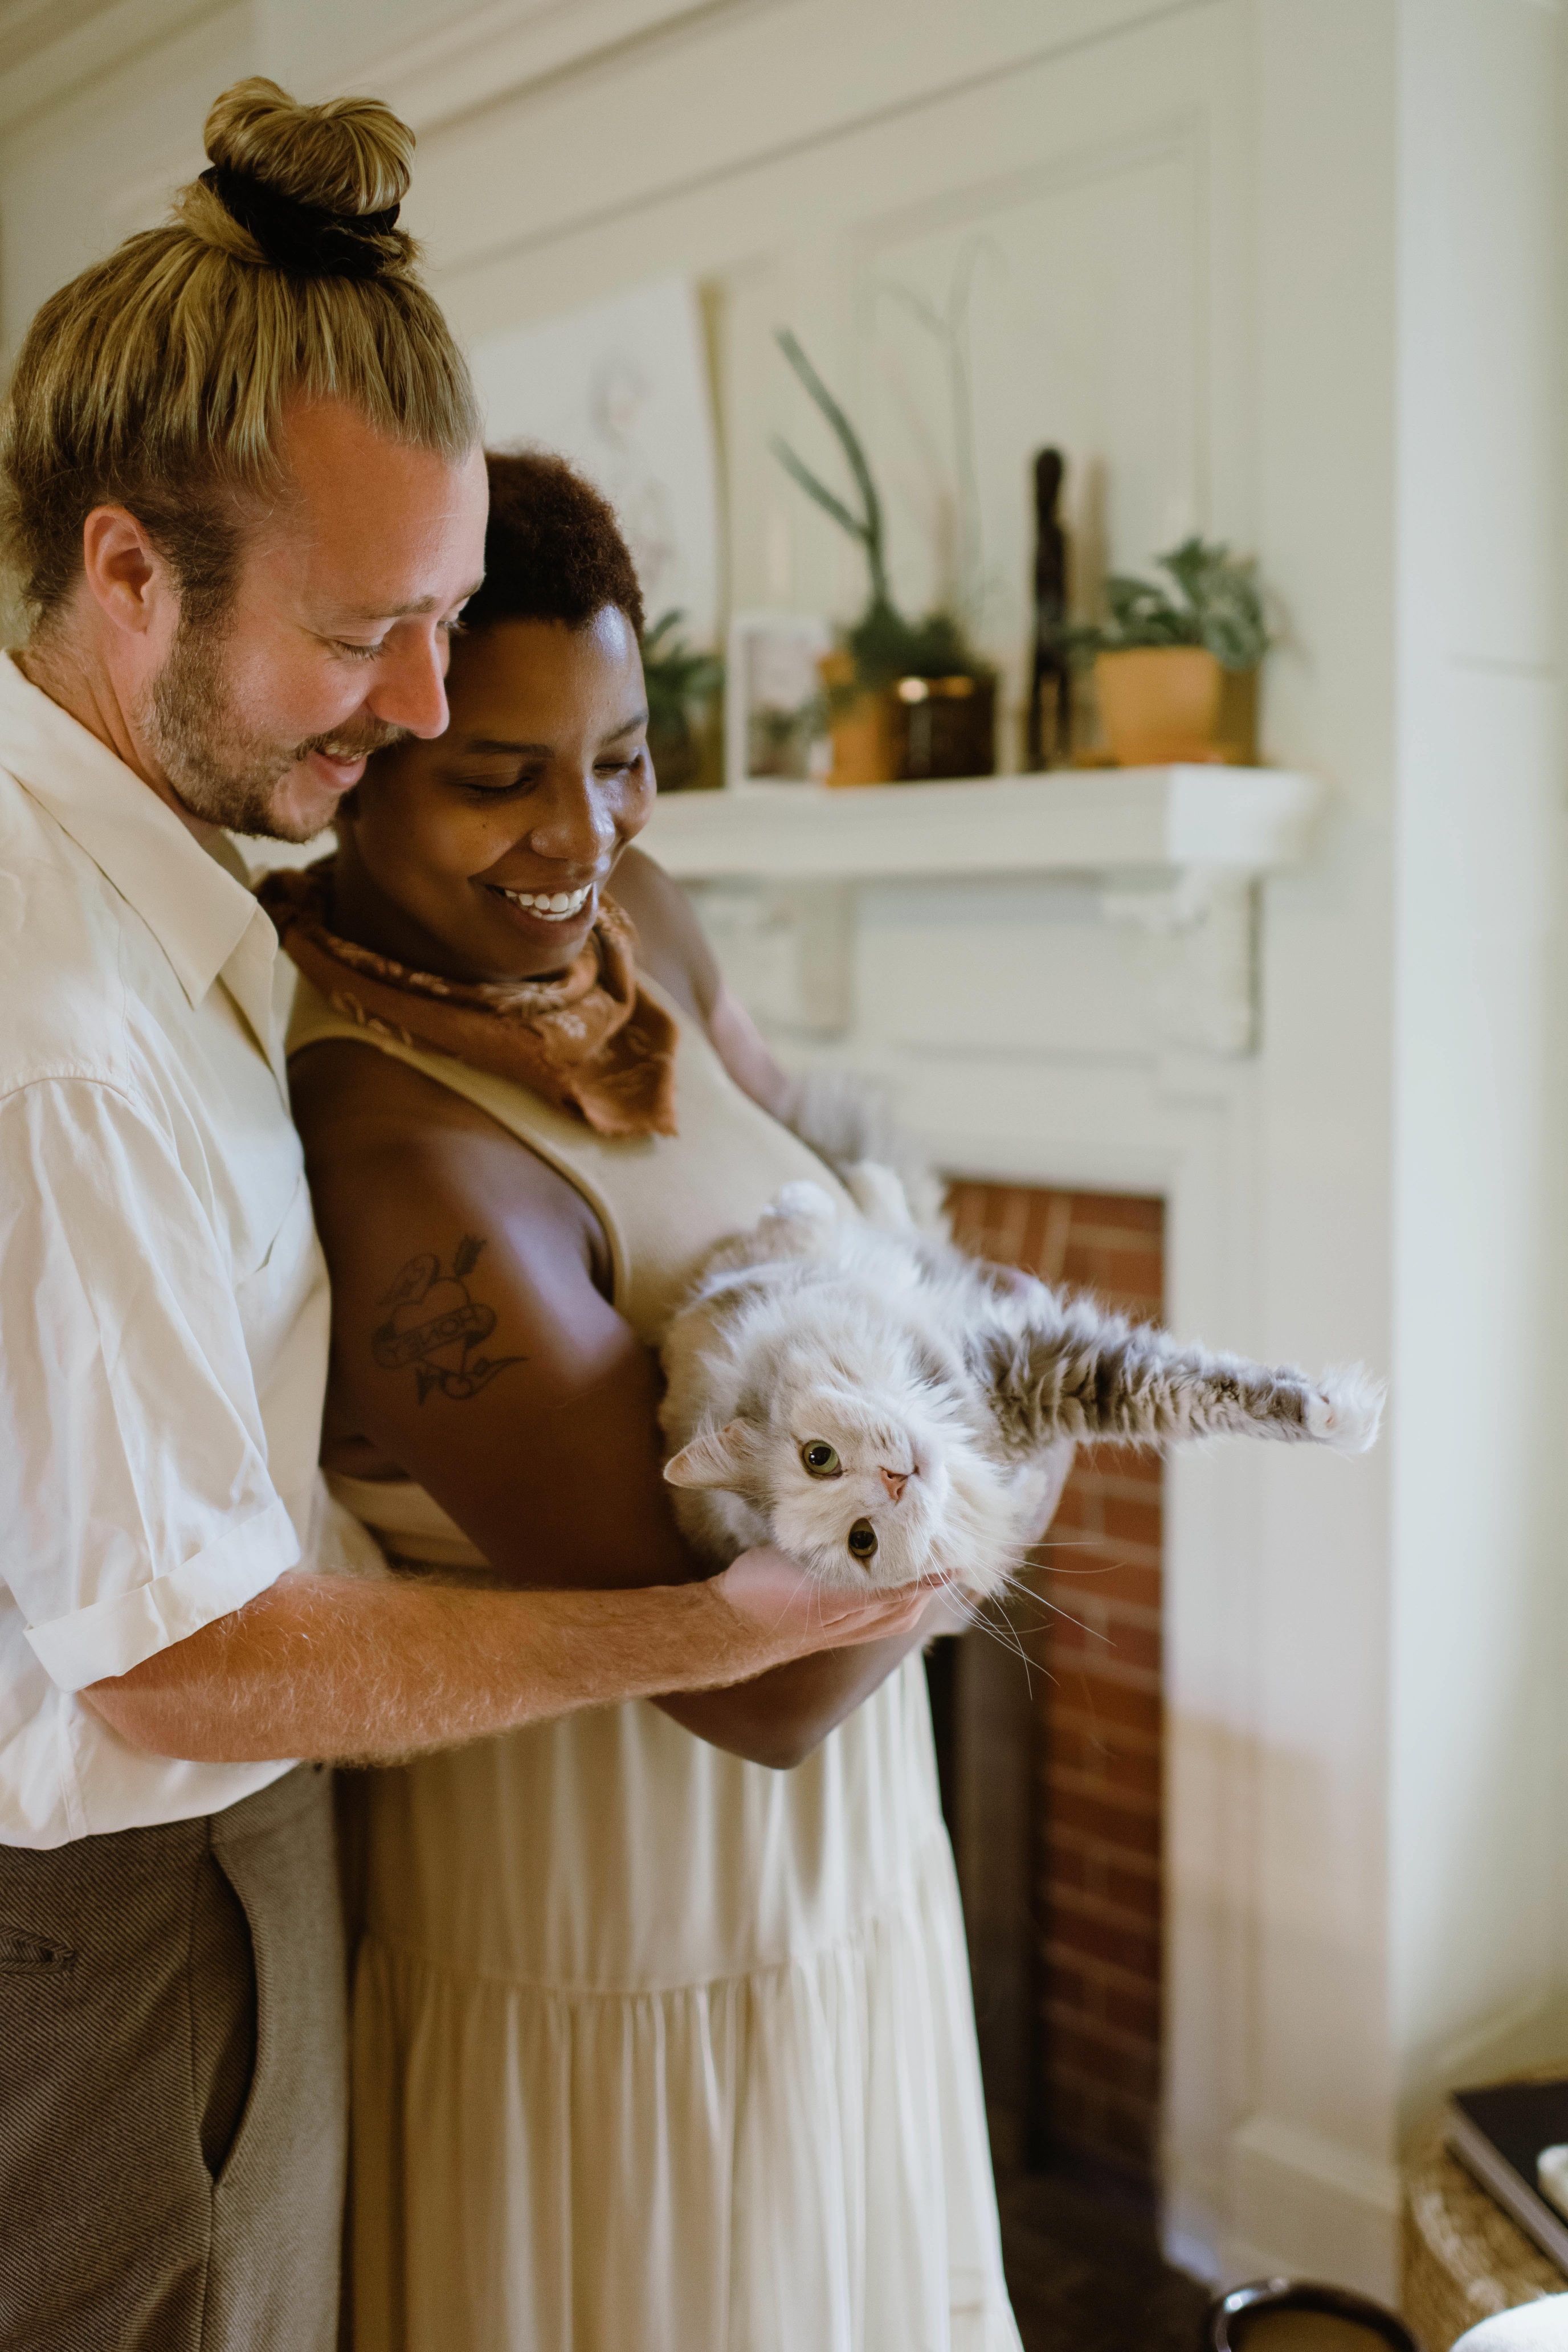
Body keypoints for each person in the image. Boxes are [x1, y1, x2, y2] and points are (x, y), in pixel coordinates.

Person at [0, 82, 924, 2352]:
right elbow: (178, 1645)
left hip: (252, 1864)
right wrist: (715, 1632)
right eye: (364, 641)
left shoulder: (172, 914)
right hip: (126, 1925)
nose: (418, 711)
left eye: (446, 634)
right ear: (129, 574)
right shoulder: (56, 1031)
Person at [271, 450, 1057, 2351]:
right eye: (496, 776)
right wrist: (1015, 1434)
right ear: (361, 755)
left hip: (836, 1884)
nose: (581, 831)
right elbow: (764, 1683)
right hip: (616, 1927)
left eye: (618, 754)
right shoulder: (403, 1169)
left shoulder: (642, 933)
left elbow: (836, 1210)